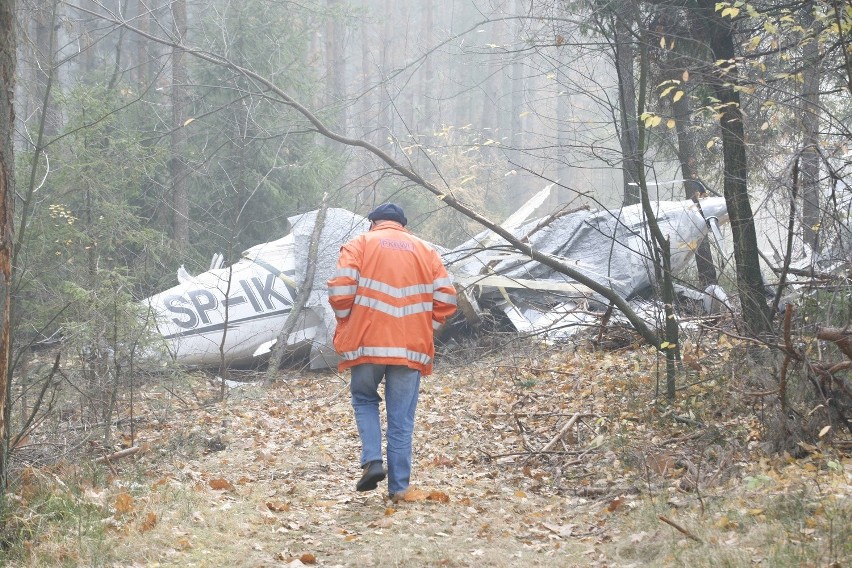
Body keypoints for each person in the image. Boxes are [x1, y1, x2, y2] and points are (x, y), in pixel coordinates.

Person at [327, 203, 457, 500]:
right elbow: (447, 299)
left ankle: (372, 461)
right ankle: (399, 488)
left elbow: (340, 293)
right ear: (402, 224)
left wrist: (349, 319)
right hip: (410, 349)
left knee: (364, 399)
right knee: (401, 419)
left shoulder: (358, 244)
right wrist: (425, 325)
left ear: (374, 223)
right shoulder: (426, 251)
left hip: (366, 344)